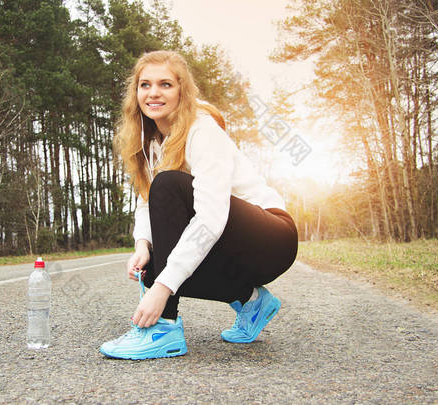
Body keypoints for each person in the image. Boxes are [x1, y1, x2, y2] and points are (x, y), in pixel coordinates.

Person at [100, 50, 298, 360]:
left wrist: (162, 292)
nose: (153, 93)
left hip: (272, 238)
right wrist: (143, 244)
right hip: (232, 244)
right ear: (135, 92)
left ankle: (163, 329)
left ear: (182, 90)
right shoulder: (151, 142)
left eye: (165, 84)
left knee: (167, 188)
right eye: (145, 85)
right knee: (151, 266)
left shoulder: (202, 130)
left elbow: (210, 219)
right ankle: (252, 301)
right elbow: (146, 201)